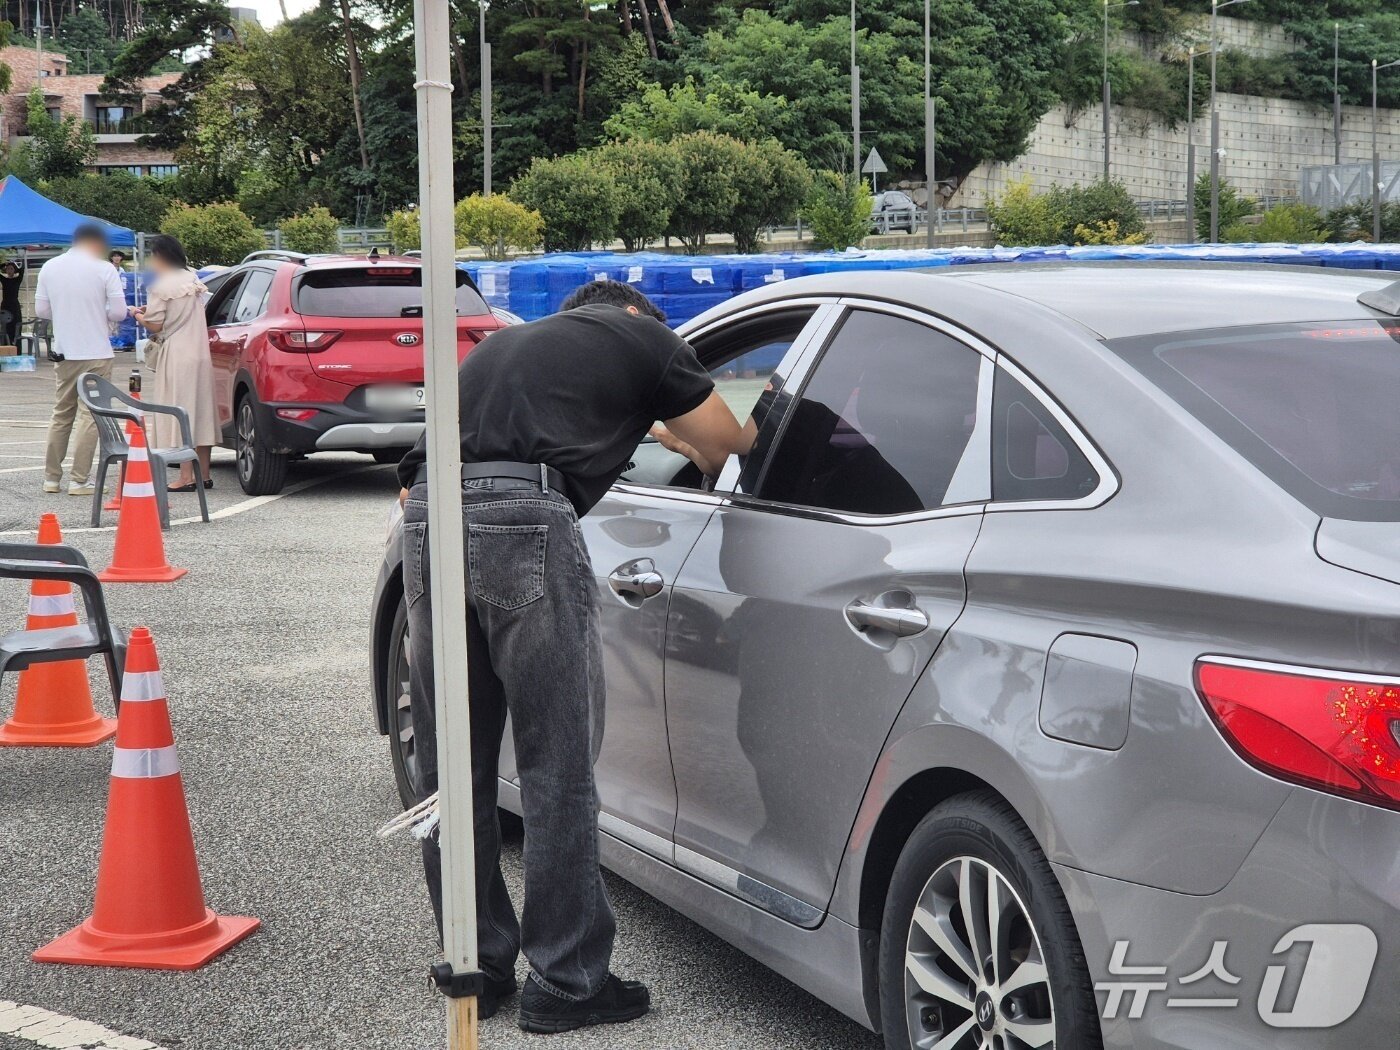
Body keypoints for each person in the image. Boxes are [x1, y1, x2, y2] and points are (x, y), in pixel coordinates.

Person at [397, 280, 752, 1033]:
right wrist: (676, 429)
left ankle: (475, 961)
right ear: (635, 315)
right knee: (554, 765)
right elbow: (729, 446)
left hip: (429, 518)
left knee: (450, 768)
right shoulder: (646, 338)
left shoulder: (503, 349)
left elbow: (411, 477)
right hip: (524, 518)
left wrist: (650, 430)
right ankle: (567, 979)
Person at [35, 223, 127, 496]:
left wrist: (66, 313)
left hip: (65, 352)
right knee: (90, 414)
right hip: (97, 351)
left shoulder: (50, 267)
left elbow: (42, 309)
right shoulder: (104, 269)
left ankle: (52, 478)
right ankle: (79, 480)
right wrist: (101, 310)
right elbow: (119, 313)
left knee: (62, 413)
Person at [131, 234, 217, 491]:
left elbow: (156, 324)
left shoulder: (162, 285)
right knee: (201, 411)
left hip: (178, 355)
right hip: (201, 354)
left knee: (179, 412)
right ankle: (204, 474)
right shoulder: (192, 279)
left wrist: (138, 315)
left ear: (160, 256)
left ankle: (185, 477)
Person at [0, 258, 25, 348]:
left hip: (14, 305)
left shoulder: (17, 280)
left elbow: (22, 270)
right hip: (5, 305)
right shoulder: (4, 280)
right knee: (5, 326)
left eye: (11, 269)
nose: (9, 270)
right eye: (8, 269)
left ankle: (17, 347)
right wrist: (5, 264)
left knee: (16, 325)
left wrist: (15, 263)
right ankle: (5, 346)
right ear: (6, 271)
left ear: (14, 270)